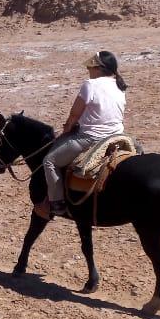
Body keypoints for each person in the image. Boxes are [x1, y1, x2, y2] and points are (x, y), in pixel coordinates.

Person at [40, 50, 127, 219]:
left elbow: (74, 115)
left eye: (90, 68)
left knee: (49, 161)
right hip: (117, 135)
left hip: (91, 138)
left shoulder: (90, 85)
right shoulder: (119, 84)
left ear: (99, 69)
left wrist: (66, 131)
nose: (89, 71)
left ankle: (57, 203)